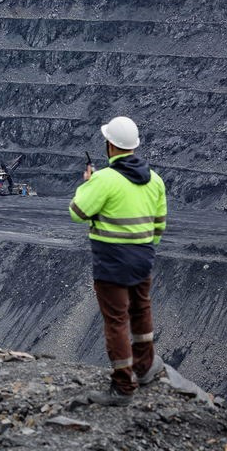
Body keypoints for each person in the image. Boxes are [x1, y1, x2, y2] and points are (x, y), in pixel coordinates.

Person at [69, 115, 167, 405]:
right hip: (142, 259)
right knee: (141, 310)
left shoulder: (103, 180)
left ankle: (124, 386)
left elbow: (77, 212)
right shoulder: (155, 180)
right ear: (133, 147)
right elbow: (159, 225)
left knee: (116, 321)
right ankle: (145, 366)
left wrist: (87, 183)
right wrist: (144, 249)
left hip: (111, 264)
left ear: (110, 145)